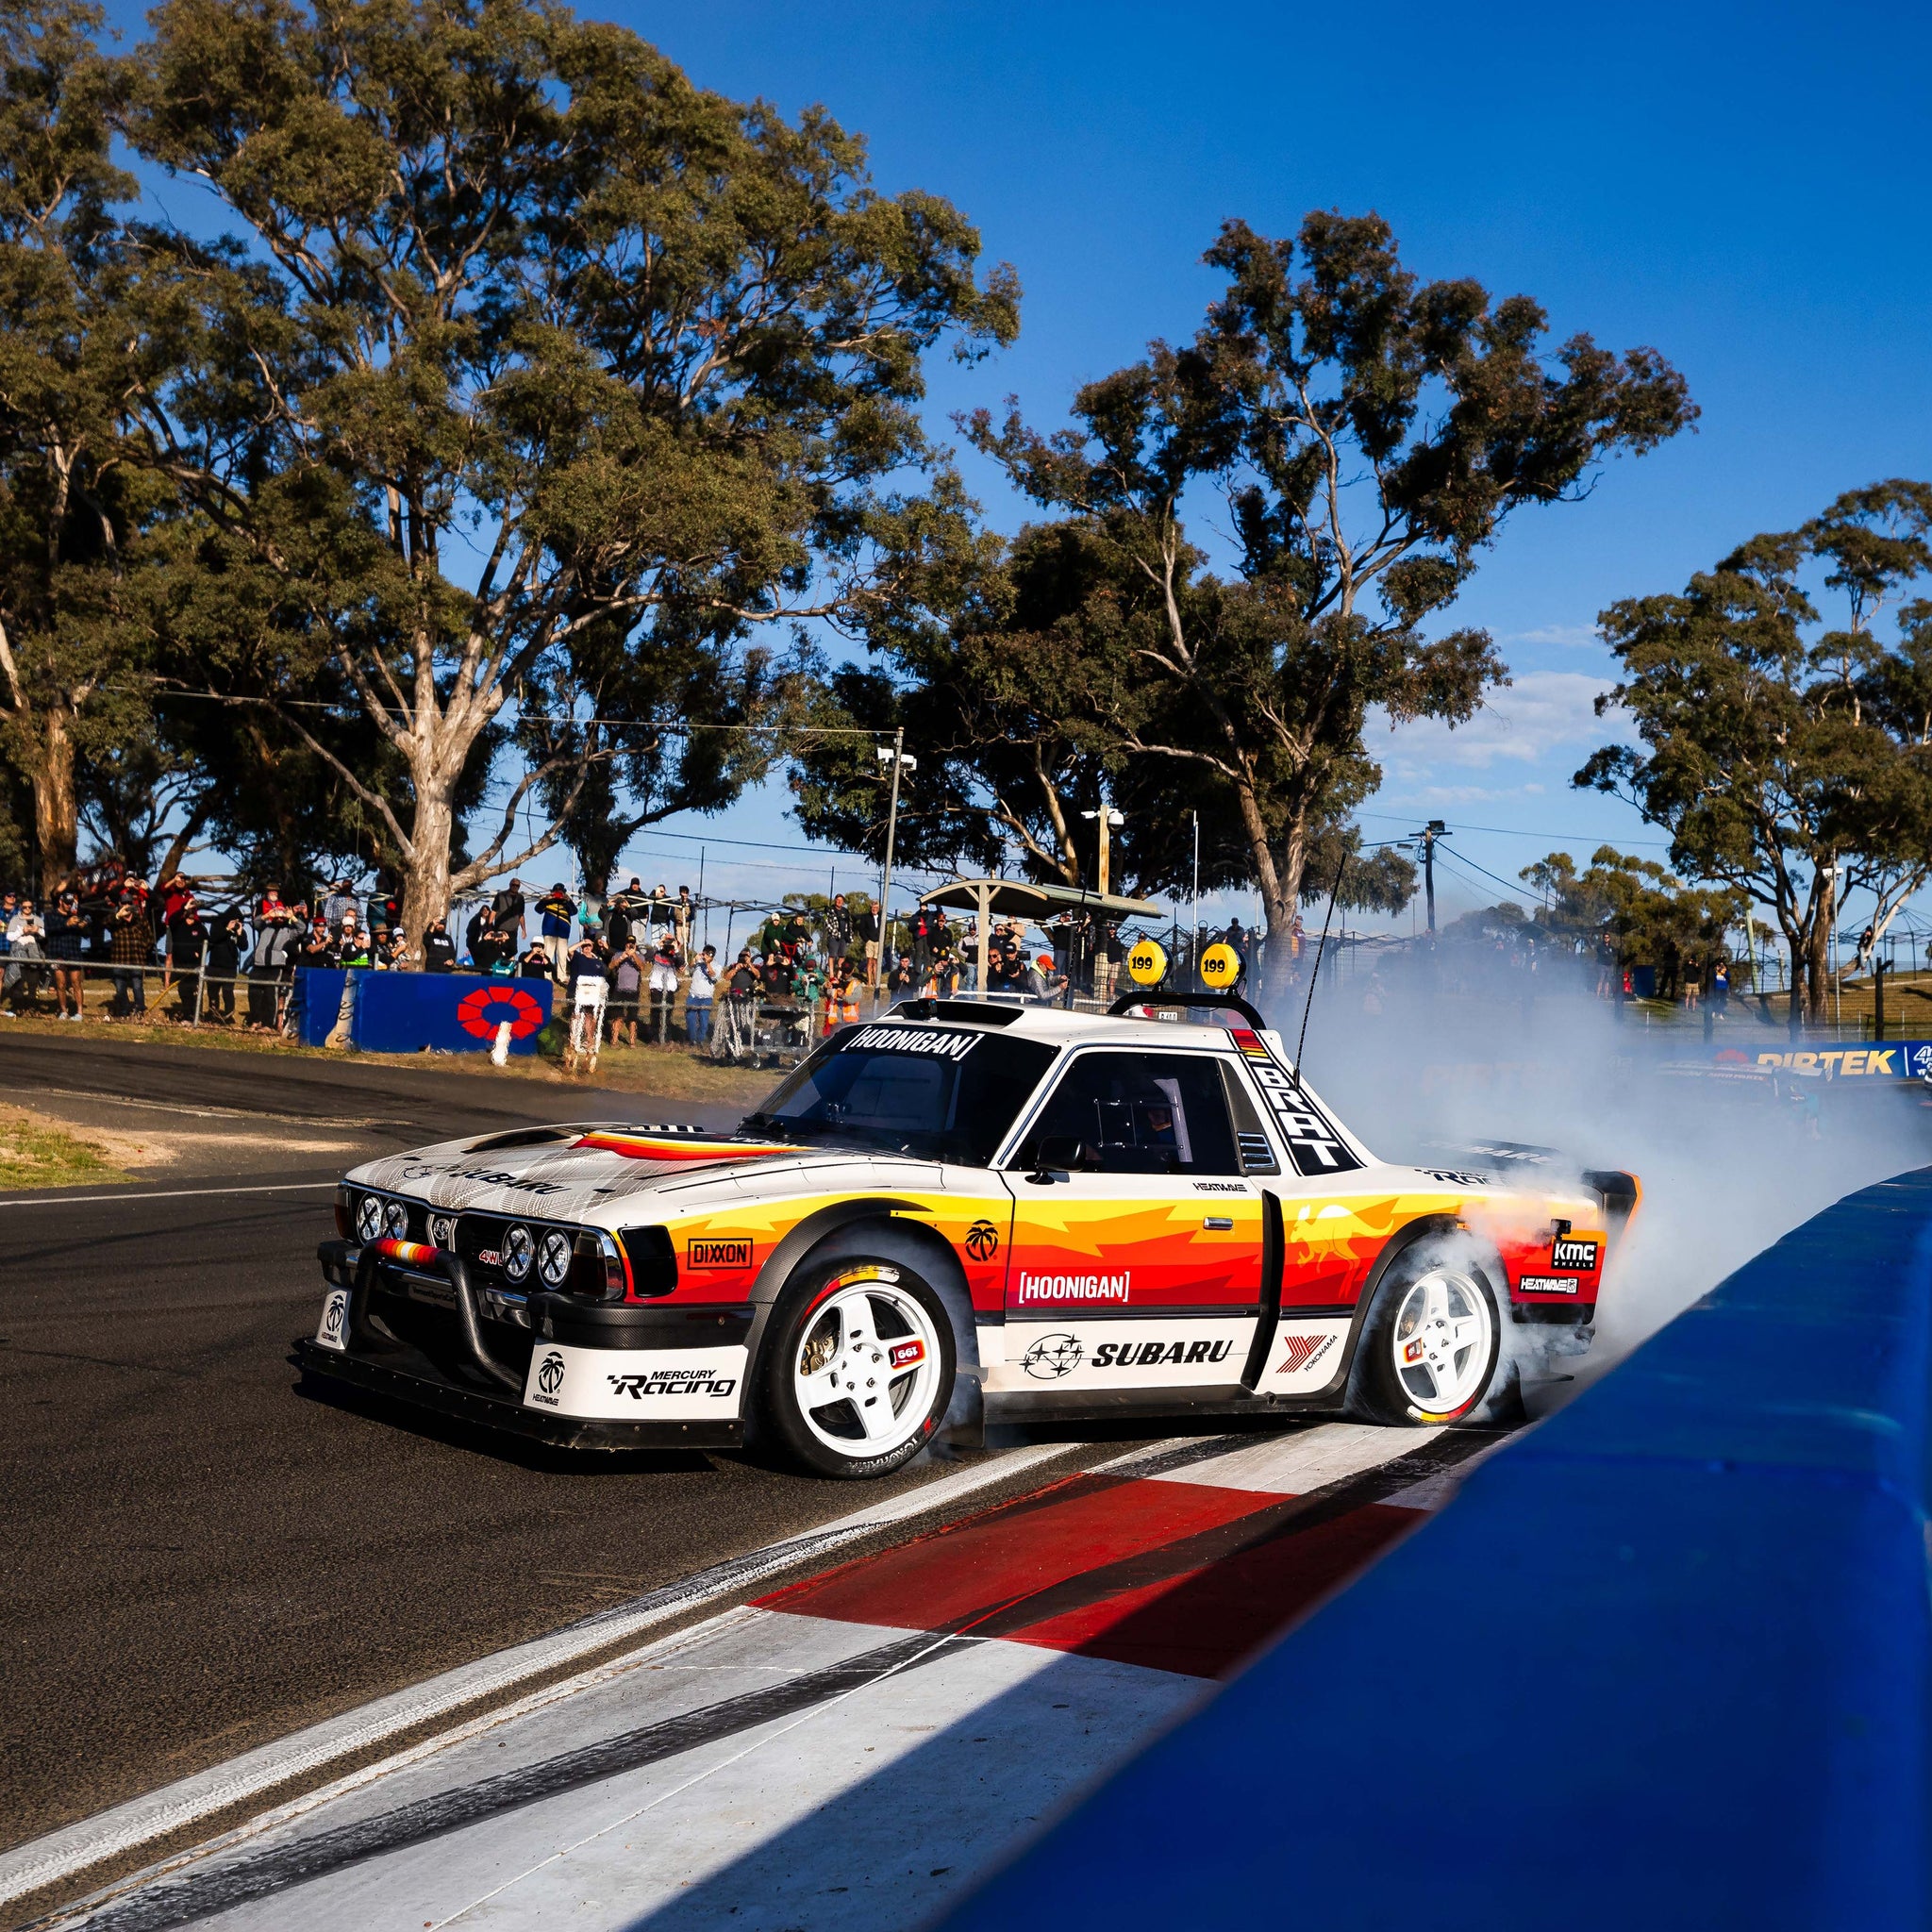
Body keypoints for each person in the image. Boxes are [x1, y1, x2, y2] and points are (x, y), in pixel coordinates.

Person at [108, 888, 155, 1019]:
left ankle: (139, 1010)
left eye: (129, 902)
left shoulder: (140, 919)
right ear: (119, 904)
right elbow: (105, 923)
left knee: (137, 986)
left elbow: (150, 938)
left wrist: (142, 950)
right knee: (120, 987)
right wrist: (118, 915)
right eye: (124, 903)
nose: (127, 905)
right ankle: (124, 1009)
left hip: (136, 959)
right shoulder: (114, 919)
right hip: (119, 959)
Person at [45, 890, 88, 1020]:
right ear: (61, 902)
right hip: (57, 952)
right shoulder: (50, 915)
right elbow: (49, 931)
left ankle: (79, 1012)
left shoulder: (76, 916)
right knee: (61, 984)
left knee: (76, 983)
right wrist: (66, 924)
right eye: (67, 903)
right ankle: (63, 1011)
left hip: (73, 952)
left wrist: (84, 926)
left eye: (71, 903)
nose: (69, 905)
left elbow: (87, 934)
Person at [167, 897, 208, 1018]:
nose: (191, 911)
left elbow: (208, 943)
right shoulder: (177, 925)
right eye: (189, 908)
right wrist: (184, 908)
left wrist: (199, 953)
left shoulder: (200, 927)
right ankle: (186, 1016)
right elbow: (170, 920)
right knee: (184, 992)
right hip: (181, 965)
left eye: (193, 908)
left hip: (195, 966)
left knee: (196, 992)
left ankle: (196, 1017)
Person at [204, 905, 245, 1020]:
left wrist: (240, 934)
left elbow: (244, 947)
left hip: (230, 967)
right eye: (234, 921)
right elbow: (214, 938)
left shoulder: (239, 931)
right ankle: (213, 1013)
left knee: (228, 992)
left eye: (238, 921)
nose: (236, 923)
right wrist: (227, 929)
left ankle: (228, 1015)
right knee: (212, 992)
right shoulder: (217, 925)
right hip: (214, 965)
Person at [606, 935, 644, 1047]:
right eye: (628, 943)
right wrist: (622, 957)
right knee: (618, 1017)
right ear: (625, 944)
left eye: (632, 943)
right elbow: (611, 966)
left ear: (635, 945)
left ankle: (632, 1042)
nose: (630, 945)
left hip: (633, 990)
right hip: (620, 989)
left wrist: (633, 955)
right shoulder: (618, 954)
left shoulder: (639, 956)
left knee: (632, 1018)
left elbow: (642, 967)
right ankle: (614, 1041)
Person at [536, 883, 576, 977]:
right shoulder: (548, 902)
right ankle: (547, 976)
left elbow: (574, 912)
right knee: (548, 955)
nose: (558, 894)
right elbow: (538, 910)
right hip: (549, 932)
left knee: (562, 956)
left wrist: (568, 900)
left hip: (563, 933)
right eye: (556, 892)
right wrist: (545, 899)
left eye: (560, 892)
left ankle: (562, 976)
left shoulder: (566, 903)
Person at [647, 930, 680, 1042]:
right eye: (667, 942)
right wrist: (660, 942)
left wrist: (676, 949)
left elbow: (682, 964)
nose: (668, 945)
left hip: (670, 988)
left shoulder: (674, 956)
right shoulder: (657, 954)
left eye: (669, 942)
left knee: (668, 1013)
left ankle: (667, 1038)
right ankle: (654, 1038)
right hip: (656, 986)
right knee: (656, 1013)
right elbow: (647, 955)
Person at [685, 944, 718, 1047]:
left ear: (712, 956)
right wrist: (694, 961)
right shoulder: (698, 964)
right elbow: (688, 970)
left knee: (704, 1021)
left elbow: (713, 976)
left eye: (708, 954)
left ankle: (700, 1041)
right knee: (690, 1018)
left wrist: (708, 964)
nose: (705, 956)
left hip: (706, 997)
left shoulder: (717, 965)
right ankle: (692, 1040)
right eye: (704, 953)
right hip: (693, 996)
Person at [491, 877, 527, 942]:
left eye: (517, 885)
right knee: (499, 948)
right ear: (510, 885)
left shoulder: (520, 898)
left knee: (512, 950)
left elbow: (521, 914)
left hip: (513, 930)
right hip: (500, 928)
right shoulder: (500, 895)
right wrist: (489, 926)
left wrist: (523, 929)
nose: (515, 887)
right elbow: (494, 911)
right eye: (513, 885)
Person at [674, 885, 695, 957]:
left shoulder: (691, 903)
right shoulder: (676, 902)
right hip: (677, 926)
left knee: (686, 943)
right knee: (678, 943)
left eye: (686, 893)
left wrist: (685, 920)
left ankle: (685, 957)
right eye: (683, 892)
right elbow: (671, 914)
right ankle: (677, 957)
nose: (685, 894)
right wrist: (676, 920)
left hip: (686, 926)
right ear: (680, 893)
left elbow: (692, 916)